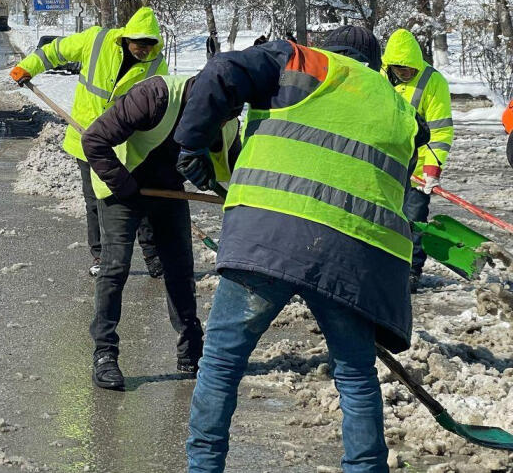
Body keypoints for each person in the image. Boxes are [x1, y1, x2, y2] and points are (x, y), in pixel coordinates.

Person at [174, 25, 430, 472]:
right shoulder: (400, 110)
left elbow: (221, 71)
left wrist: (192, 143)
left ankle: (203, 467)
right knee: (356, 376)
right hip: (352, 256)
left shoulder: (300, 61)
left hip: (267, 237)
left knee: (221, 363)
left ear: (327, 48)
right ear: (376, 65)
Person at [81, 74, 239, 388]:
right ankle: (104, 353)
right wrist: (124, 186)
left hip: (168, 190)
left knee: (180, 268)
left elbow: (238, 176)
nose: (218, 126)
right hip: (122, 184)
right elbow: (94, 141)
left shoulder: (228, 120)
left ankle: (191, 349)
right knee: (115, 267)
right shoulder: (154, 97)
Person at [10, 7, 169, 279]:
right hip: (88, 140)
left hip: (126, 144)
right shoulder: (96, 40)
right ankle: (101, 256)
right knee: (95, 200)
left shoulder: (156, 65)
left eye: (149, 45)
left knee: (138, 196)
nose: (144, 50)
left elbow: (160, 104)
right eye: (139, 44)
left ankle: (153, 255)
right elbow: (55, 51)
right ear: (126, 37)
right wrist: (28, 66)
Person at [381, 29, 454, 293]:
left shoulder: (433, 82)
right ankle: (382, 267)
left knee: (413, 219)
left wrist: (432, 168)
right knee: (381, 218)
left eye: (409, 68)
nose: (405, 73)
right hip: (385, 165)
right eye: (400, 68)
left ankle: (411, 271)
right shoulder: (379, 79)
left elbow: (440, 129)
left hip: (419, 168)